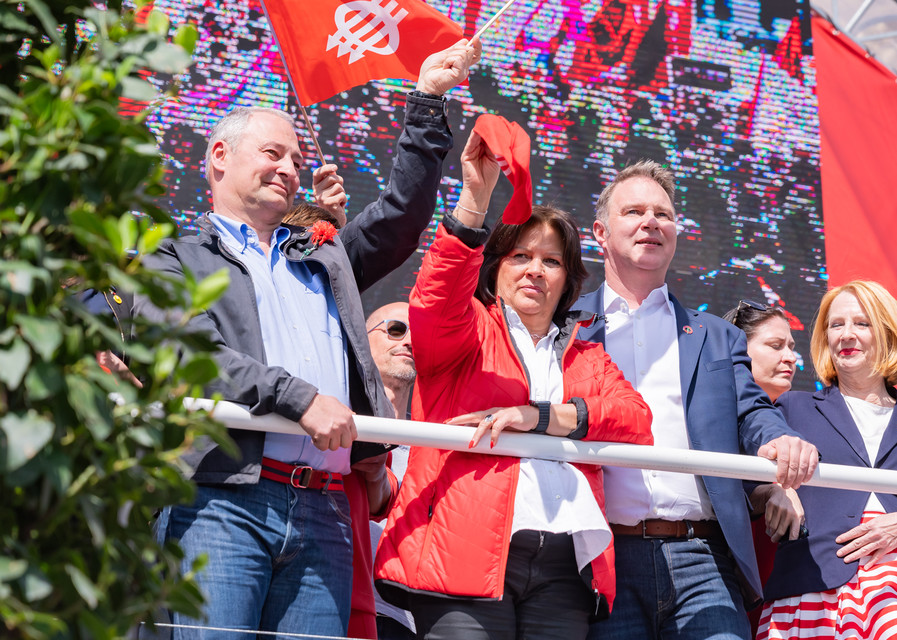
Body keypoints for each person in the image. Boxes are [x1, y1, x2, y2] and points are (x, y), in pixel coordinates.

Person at [136, 40, 481, 639]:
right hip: (221, 503)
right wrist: (300, 398)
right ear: (219, 156)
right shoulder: (173, 257)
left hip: (325, 508)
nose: (289, 170)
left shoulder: (323, 255)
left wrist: (428, 101)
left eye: (296, 160)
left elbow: (401, 215)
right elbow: (194, 356)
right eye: (273, 153)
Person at [374, 131, 654, 639]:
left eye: (552, 261)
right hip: (464, 548)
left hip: (566, 563)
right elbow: (435, 296)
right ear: (495, 266)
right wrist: (475, 198)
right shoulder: (467, 329)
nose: (535, 271)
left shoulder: (588, 355)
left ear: (568, 280)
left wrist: (540, 417)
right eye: (520, 256)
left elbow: (636, 421)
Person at [575, 160, 818, 640]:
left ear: (676, 234)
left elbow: (751, 411)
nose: (651, 222)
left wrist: (781, 439)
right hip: (600, 557)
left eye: (663, 214)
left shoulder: (716, 336)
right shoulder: (568, 328)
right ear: (601, 233)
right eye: (634, 211)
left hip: (703, 559)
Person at [757, 280, 897, 640]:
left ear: (888, 333)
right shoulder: (793, 407)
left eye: (861, 323)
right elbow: (748, 475)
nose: (846, 334)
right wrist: (773, 488)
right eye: (836, 325)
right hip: (812, 585)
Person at [723, 299, 803, 638]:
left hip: (791, 598)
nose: (790, 357)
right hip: (730, 590)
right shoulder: (710, 424)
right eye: (775, 345)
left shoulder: (802, 421)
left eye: (792, 347)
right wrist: (769, 489)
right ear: (737, 350)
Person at [364, 303, 417, 640]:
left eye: (419, 335)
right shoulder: (329, 428)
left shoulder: (437, 445)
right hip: (333, 604)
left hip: (406, 622)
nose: (409, 341)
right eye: (396, 329)